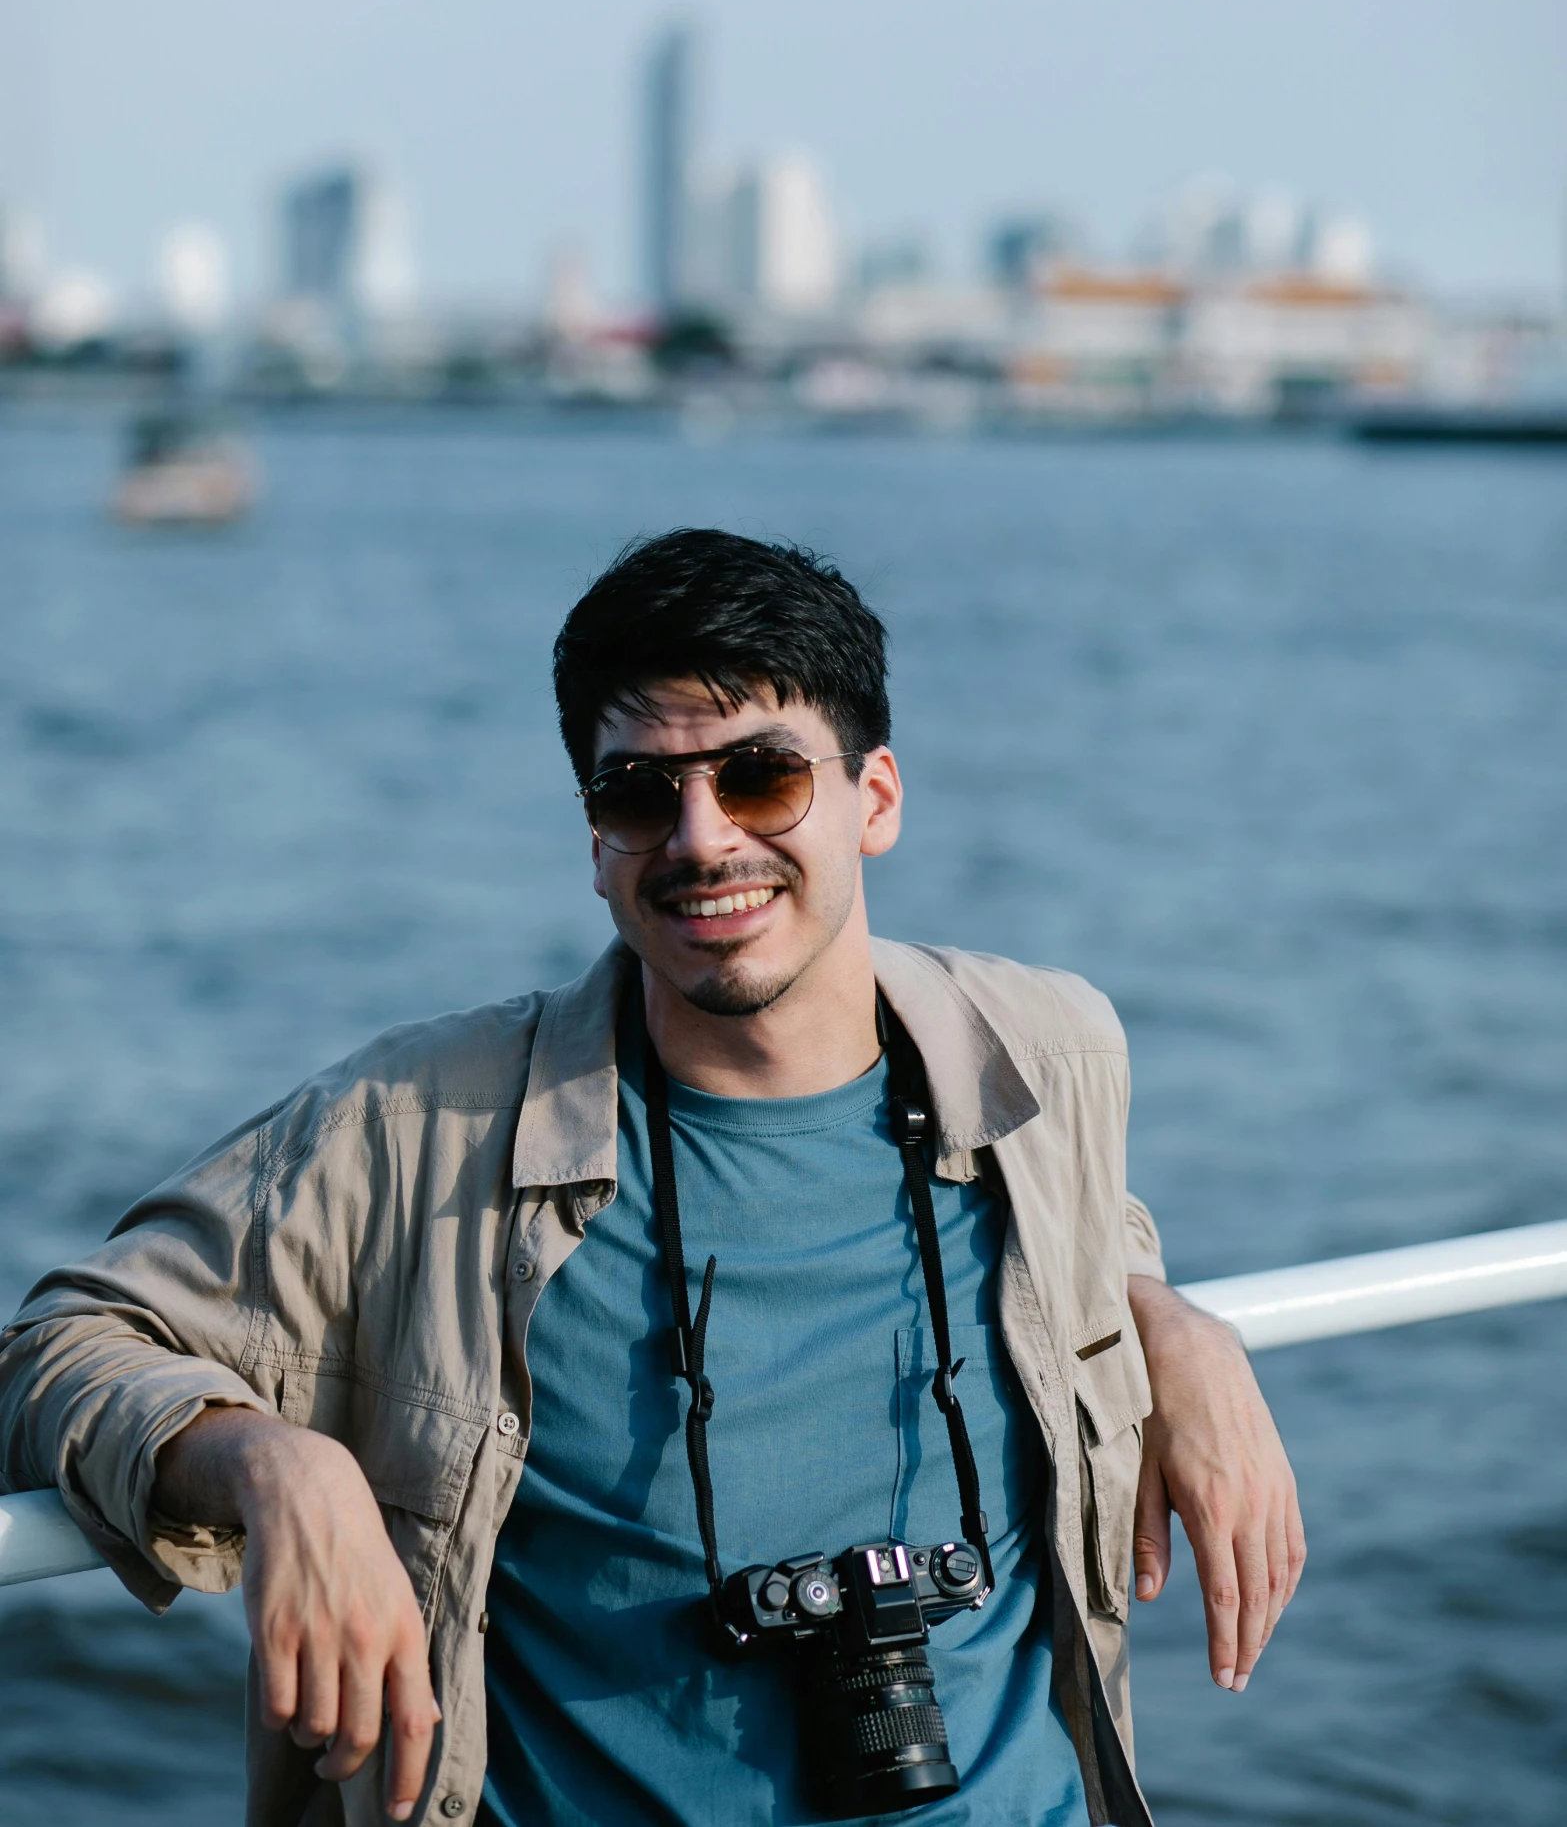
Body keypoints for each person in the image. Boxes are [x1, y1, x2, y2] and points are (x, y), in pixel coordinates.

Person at [0, 529, 1303, 1827]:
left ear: (877, 798)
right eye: (639, 792)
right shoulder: (420, 1126)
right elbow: (60, 1344)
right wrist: (276, 1466)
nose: (700, 837)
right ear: (592, 837)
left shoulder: (1046, 1048)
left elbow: (1079, 1224)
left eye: (759, 777)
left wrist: (1163, 1317)